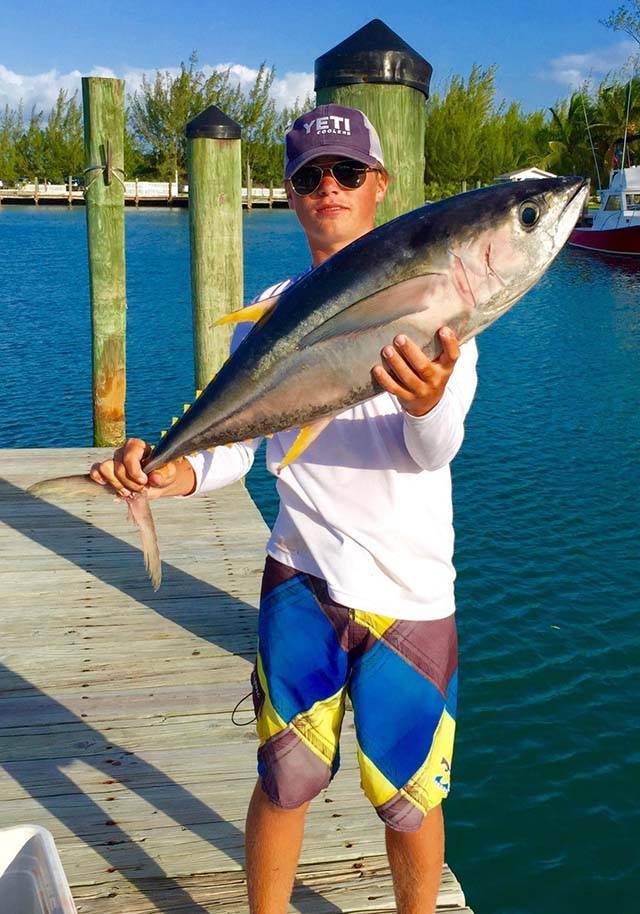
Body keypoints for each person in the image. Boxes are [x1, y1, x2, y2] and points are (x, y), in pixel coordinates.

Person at [90, 104, 478, 914]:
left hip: (409, 600)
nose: (327, 187)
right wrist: (170, 475)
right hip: (301, 580)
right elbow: (233, 450)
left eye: (346, 172)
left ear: (382, 185)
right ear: (292, 195)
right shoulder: (270, 312)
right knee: (285, 780)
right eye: (309, 175)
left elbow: (434, 449)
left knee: (410, 802)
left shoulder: (444, 313)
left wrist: (424, 403)